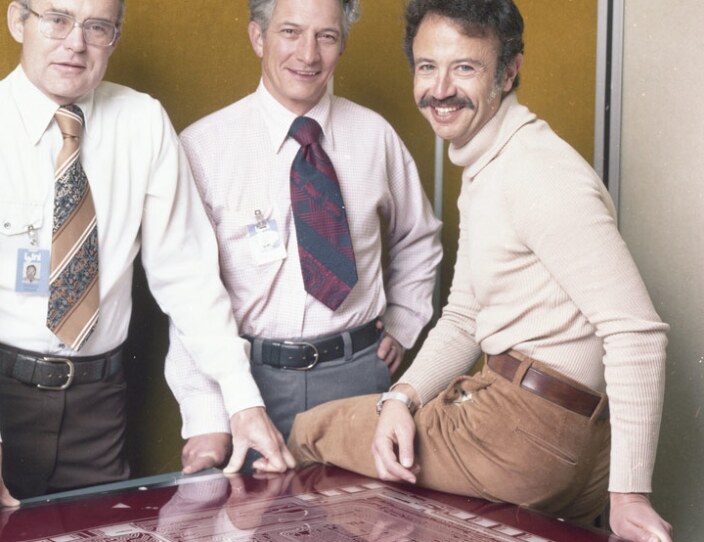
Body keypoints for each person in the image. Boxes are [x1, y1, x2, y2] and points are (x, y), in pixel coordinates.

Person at [286, 1, 674, 541]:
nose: (440, 89)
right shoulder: (490, 161)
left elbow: (636, 330)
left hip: (525, 431)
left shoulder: (538, 172)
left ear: (508, 71)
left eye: (464, 67)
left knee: (309, 429)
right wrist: (402, 397)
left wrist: (630, 496)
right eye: (427, 67)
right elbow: (466, 315)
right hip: (553, 430)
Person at [0, 0, 292, 521]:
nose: (75, 42)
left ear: (115, 35)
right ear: (18, 20)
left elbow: (188, 278)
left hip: (98, 407)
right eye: (57, 19)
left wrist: (242, 400)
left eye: (96, 26)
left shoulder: (144, 121)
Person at [167, 0, 442, 475]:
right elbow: (189, 297)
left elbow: (418, 237)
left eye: (326, 37)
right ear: (258, 37)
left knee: (365, 523)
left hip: (358, 374)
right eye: (291, 32)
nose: (308, 55)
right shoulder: (203, 148)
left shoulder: (374, 136)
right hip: (252, 384)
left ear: (342, 45)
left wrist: (404, 321)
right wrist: (206, 416)